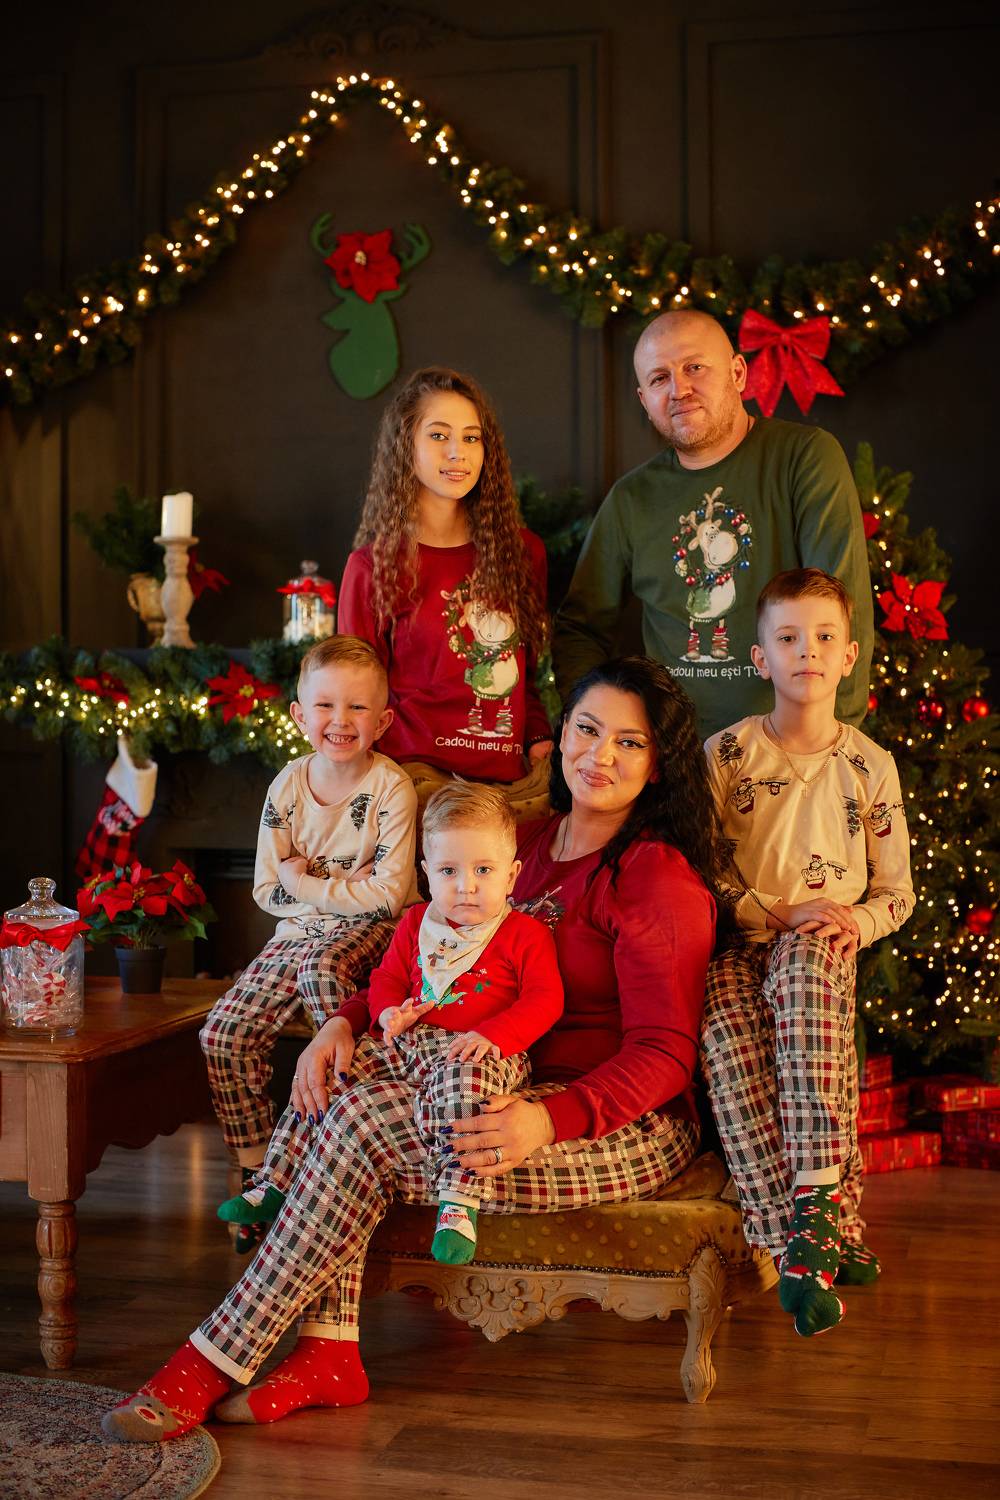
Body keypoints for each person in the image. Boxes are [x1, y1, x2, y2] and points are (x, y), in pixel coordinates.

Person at [102, 656, 727, 1443]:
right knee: (342, 1095)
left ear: (658, 762)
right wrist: (343, 1023)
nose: (599, 755)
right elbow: (428, 963)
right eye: (587, 728)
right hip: (481, 1079)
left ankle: (211, 1361)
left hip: (613, 1121)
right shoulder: (518, 845)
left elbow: (665, 1054)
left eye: (628, 742)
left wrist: (547, 1120)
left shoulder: (655, 879)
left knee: (359, 1124)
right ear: (560, 733)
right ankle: (327, 1353)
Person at [217, 780, 564, 1267]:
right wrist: (385, 1013)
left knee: (468, 1089)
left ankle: (458, 1202)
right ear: (427, 873)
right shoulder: (417, 923)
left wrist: (495, 1035)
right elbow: (387, 979)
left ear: (511, 876)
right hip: (407, 1041)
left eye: (483, 870)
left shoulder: (524, 934)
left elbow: (546, 1000)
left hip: (477, 1052)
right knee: (331, 1074)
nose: (465, 886)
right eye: (448, 870)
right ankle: (276, 1179)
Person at [700, 568, 914, 1338]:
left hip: (819, 944)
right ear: (761, 658)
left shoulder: (869, 766)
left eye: (825, 637)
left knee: (807, 989)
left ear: (849, 655)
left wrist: (855, 922)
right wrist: (771, 910)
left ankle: (817, 1211)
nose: (808, 651)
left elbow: (897, 892)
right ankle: (802, 1240)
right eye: (788, 638)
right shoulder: (726, 754)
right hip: (737, 940)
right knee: (728, 1050)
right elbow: (701, 869)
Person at [553, 309, 874, 738]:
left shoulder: (804, 457)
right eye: (659, 378)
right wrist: (594, 730)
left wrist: (832, 744)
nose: (679, 390)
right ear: (644, 400)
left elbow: (845, 610)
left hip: (787, 750)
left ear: (738, 373)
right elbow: (580, 627)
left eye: (694, 367)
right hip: (675, 756)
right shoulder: (632, 499)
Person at [199, 635, 418, 1251]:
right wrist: (337, 887)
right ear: (299, 715)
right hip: (295, 933)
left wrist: (306, 880)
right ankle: (256, 1170)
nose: (339, 720)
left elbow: (388, 899)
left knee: (322, 973)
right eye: (324, 705)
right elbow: (267, 890)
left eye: (356, 707)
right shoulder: (287, 788)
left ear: (383, 721)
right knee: (222, 1032)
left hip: (369, 933)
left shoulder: (391, 789)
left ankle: (328, 1149)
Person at [337, 366, 555, 787]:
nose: (458, 452)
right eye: (438, 435)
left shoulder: (522, 553)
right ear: (406, 445)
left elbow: (524, 674)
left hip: (503, 787)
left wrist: (537, 736)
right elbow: (354, 696)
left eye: (471, 438)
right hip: (409, 783)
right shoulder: (372, 567)